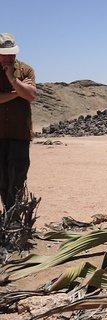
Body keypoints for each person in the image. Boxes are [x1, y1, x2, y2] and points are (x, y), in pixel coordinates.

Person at [0, 33, 36, 211]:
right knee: (2, 178)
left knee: (18, 179)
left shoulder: (26, 70)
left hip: (19, 134)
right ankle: (7, 216)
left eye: (12, 53)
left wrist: (13, 80)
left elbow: (30, 96)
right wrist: (18, 91)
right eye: (5, 53)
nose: (9, 57)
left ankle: (13, 219)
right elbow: (23, 93)